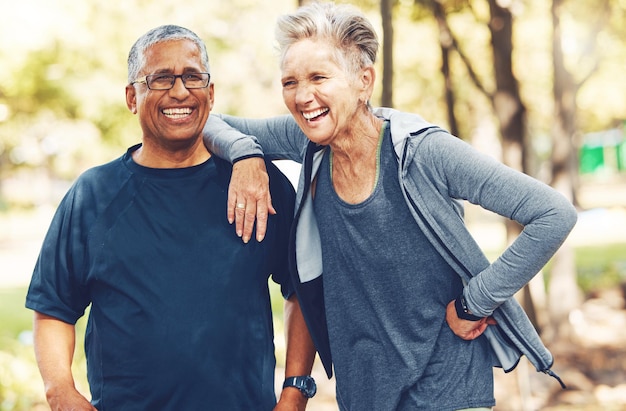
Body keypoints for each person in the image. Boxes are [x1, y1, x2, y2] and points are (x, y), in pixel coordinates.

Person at [203, 3, 578, 410]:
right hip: (364, 395)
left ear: (364, 81)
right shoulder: (308, 143)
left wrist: (476, 302)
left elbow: (554, 213)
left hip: (447, 391)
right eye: (289, 82)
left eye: (318, 77)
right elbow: (203, 120)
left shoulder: (423, 153)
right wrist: (245, 156)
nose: (302, 96)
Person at [25, 25, 317, 411]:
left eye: (192, 77)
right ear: (132, 97)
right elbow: (53, 307)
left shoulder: (258, 186)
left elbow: (303, 288)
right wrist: (59, 391)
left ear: (210, 94)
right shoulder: (92, 195)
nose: (180, 91)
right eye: (161, 78)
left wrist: (294, 392)